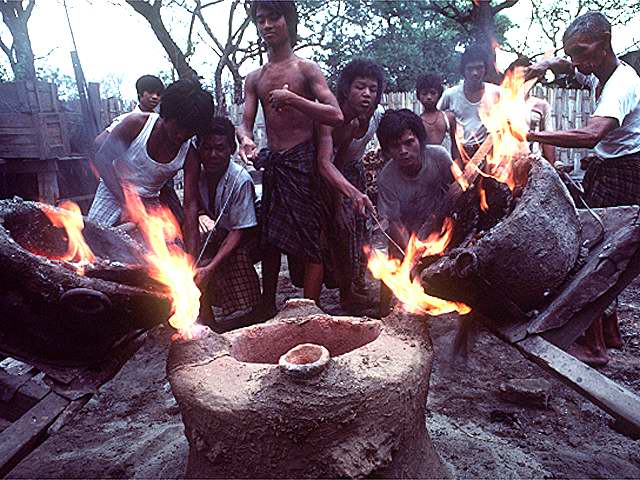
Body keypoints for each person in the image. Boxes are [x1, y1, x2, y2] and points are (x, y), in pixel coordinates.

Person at [526, 12, 639, 367]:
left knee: (592, 253)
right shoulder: (596, 71)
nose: (576, 61)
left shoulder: (620, 84)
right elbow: (566, 65)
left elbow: (591, 135)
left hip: (625, 173)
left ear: (605, 43)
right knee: (607, 248)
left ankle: (594, 347)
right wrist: (545, 64)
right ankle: (611, 333)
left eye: (581, 51)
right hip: (611, 166)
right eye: (571, 53)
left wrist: (530, 135)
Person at [238, 0, 355, 319]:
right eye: (261, 19)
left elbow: (335, 114)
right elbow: (244, 123)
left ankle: (308, 311)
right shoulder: (254, 78)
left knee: (310, 239)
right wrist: (246, 140)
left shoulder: (306, 69)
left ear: (288, 20)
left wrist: (294, 99)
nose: (267, 25)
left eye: (274, 17)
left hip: (304, 165)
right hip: (275, 166)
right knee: (270, 240)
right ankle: (267, 305)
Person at [88, 79, 214, 228]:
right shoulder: (135, 125)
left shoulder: (189, 156)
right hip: (112, 191)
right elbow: (102, 158)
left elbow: (190, 205)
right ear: (165, 115)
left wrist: (191, 242)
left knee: (162, 242)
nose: (181, 135)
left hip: (149, 201)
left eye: (189, 131)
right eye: (178, 127)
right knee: (94, 237)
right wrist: (128, 203)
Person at [183, 117, 261, 328]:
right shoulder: (195, 173)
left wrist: (211, 267)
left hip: (246, 236)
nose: (213, 155)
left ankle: (249, 313)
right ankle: (205, 318)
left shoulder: (240, 180)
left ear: (231, 149)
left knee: (230, 258)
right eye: (207, 148)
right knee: (190, 259)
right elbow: (191, 207)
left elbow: (238, 231)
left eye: (220, 148)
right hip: (218, 232)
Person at [375, 109, 454, 316]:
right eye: (395, 146)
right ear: (387, 150)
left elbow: (458, 190)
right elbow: (394, 223)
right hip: (407, 236)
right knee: (395, 271)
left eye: (409, 142)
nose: (403, 151)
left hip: (442, 230)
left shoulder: (439, 157)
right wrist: (411, 253)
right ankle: (383, 314)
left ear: (420, 140)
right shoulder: (386, 179)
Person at [324, 58, 385, 311]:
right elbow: (331, 163)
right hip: (333, 179)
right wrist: (339, 204)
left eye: (373, 89)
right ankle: (345, 293)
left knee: (361, 232)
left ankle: (356, 287)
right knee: (341, 232)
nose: (367, 94)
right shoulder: (337, 119)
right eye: (360, 87)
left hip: (356, 174)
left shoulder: (376, 116)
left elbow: (389, 145)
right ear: (347, 89)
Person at [438, 45, 500, 159]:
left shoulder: (497, 93)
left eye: (479, 67)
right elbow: (435, 117)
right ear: (463, 70)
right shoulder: (450, 95)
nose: (475, 73)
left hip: (489, 153)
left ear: (485, 68)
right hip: (460, 152)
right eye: (470, 68)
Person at [504, 58, 556, 164]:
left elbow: (548, 138)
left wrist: (552, 165)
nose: (522, 81)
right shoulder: (501, 104)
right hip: (506, 162)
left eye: (526, 77)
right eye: (518, 77)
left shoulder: (541, 105)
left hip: (533, 161)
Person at [416, 73, 460, 162]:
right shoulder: (417, 122)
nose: (429, 97)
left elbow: (455, 147)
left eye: (433, 93)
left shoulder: (448, 118)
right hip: (428, 167)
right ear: (418, 96)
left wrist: (458, 165)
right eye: (424, 93)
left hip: (448, 166)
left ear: (439, 94)